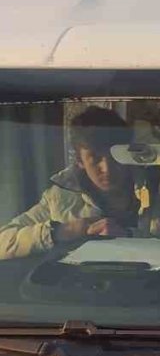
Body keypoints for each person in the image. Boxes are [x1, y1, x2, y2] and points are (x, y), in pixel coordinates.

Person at [0, 106, 147, 260]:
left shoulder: (157, 189)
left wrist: (128, 236)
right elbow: (3, 241)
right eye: (95, 158)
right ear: (80, 161)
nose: (107, 168)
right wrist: (63, 231)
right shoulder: (60, 199)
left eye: (114, 156)